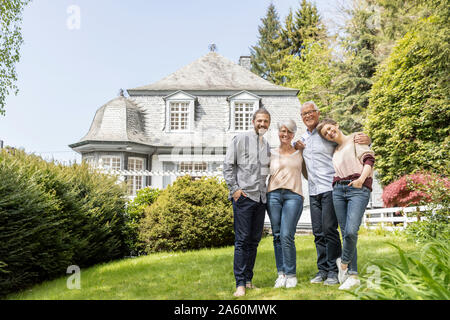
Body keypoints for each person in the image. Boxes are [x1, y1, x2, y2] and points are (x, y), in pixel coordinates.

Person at [294, 101, 370, 286]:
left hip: (331, 188)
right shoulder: (302, 139)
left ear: (318, 113)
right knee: (318, 232)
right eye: (304, 114)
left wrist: (367, 139)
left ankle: (334, 271)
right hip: (313, 191)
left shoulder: (325, 134)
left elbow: (346, 141)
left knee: (330, 230)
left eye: (311, 112)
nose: (308, 116)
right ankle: (323, 270)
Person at [316, 118, 375, 290]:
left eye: (329, 128)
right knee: (345, 234)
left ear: (336, 124)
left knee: (351, 231)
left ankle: (343, 264)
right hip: (338, 190)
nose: (329, 133)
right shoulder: (334, 150)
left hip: (358, 188)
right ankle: (353, 276)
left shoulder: (356, 138)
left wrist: (361, 180)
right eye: (325, 133)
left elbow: (369, 160)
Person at [223, 108, 271, 297]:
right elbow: (227, 165)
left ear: (269, 124)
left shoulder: (266, 145)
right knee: (242, 241)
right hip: (244, 198)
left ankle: (249, 280)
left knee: (254, 241)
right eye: (259, 120)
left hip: (260, 199)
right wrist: (234, 190)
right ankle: (240, 284)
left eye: (266, 121)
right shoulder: (240, 139)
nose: (262, 124)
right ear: (253, 121)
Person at [266, 119, 307, 289]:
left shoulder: (300, 152)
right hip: (273, 195)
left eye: (289, 132)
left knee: (286, 235)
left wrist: (304, 151)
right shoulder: (270, 153)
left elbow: (308, 173)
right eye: (283, 131)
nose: (285, 134)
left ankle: (291, 274)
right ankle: (281, 274)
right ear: (278, 132)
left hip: (293, 195)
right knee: (276, 235)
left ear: (293, 134)